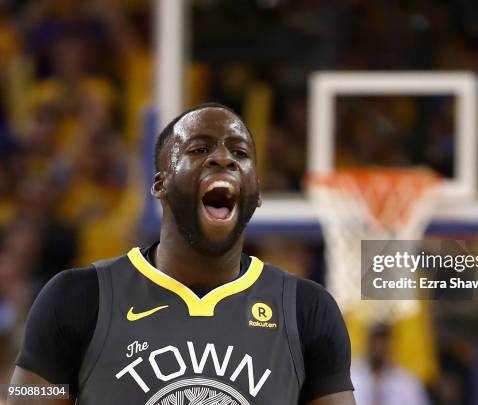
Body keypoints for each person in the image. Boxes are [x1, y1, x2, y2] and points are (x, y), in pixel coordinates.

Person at [9, 103, 355, 405]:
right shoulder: (73, 299)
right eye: (199, 149)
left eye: (240, 153)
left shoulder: (307, 310)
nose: (223, 157)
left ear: (257, 191)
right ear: (160, 184)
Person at [352, 323, 429, 405]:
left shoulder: (408, 383)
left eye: (384, 340)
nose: (379, 346)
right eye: (375, 339)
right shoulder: (351, 378)